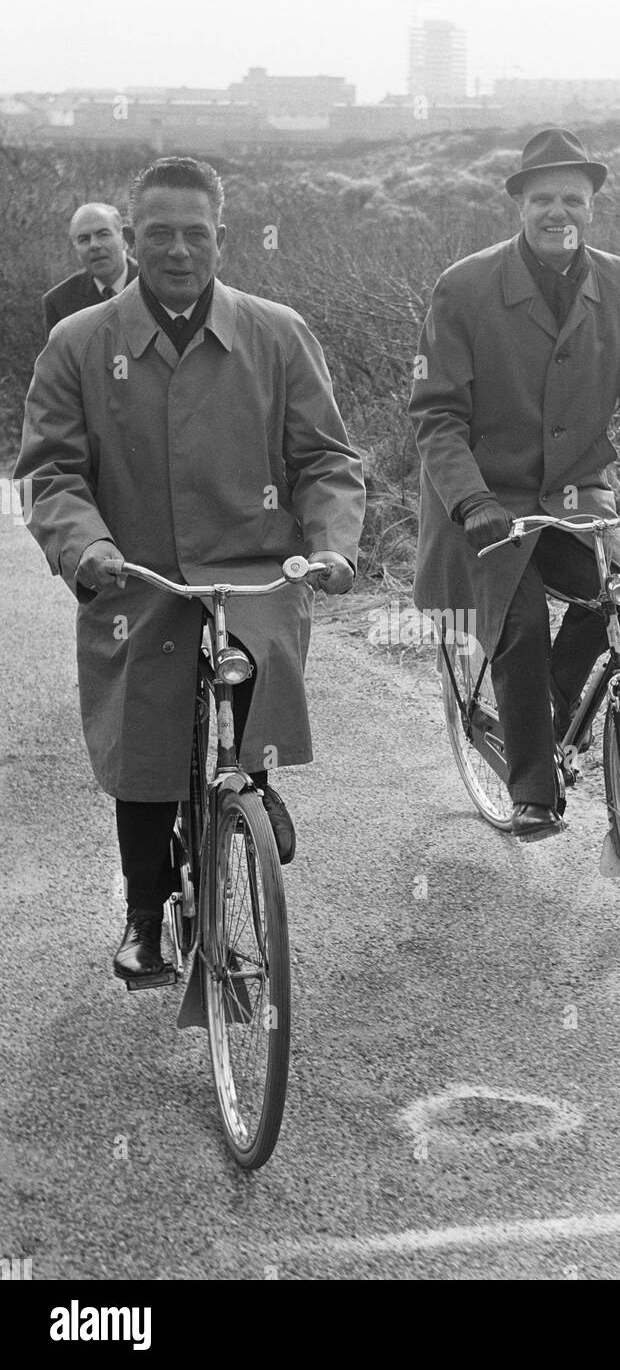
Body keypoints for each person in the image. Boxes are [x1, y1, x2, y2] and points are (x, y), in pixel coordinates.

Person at [16, 156, 366, 979]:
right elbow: (52, 473)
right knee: (146, 736)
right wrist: (88, 548)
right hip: (135, 577)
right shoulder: (78, 342)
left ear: (222, 238)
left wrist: (332, 544)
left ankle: (247, 783)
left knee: (253, 663)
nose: (179, 250)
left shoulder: (276, 332)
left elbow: (325, 458)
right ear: (133, 240)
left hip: (252, 567)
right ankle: (145, 912)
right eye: (160, 234)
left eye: (196, 233)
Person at [409, 128, 620, 842]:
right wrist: (471, 498)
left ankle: (539, 724)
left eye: (572, 200)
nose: (558, 213)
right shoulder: (464, 287)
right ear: (518, 204)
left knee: (619, 600)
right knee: (515, 630)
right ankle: (533, 791)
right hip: (484, 503)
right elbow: (436, 415)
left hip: (576, 495)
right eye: (542, 198)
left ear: (591, 207)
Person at [42, 203, 139, 333]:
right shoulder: (59, 301)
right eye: (84, 239)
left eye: (103, 234)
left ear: (124, 239)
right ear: (76, 249)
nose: (94, 245)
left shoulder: (155, 284)